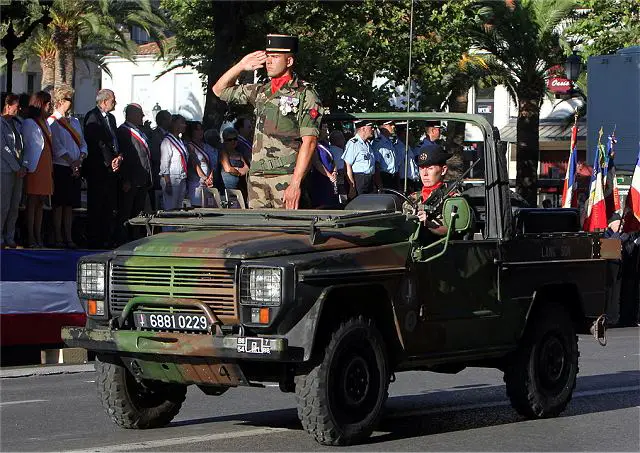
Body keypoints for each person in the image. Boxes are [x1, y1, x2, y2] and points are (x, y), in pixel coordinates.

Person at [212, 34, 323, 209]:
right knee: (259, 226)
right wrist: (241, 66)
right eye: (268, 56)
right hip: (257, 176)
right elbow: (219, 90)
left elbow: (309, 142)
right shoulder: (262, 91)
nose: (269, 62)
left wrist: (295, 184)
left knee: (289, 226)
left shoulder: (304, 94)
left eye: (275, 57)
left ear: (289, 61)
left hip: (285, 176)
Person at [48, 85, 87, 248]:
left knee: (70, 205)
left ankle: (69, 237)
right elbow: (56, 146)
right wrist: (71, 162)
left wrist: (80, 159)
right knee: (59, 204)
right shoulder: (52, 122)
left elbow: (83, 143)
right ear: (60, 101)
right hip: (61, 167)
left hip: (75, 167)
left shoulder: (75, 121)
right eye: (69, 99)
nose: (71, 102)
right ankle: (58, 237)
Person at [83, 89, 121, 248]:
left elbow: (114, 140)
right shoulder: (93, 116)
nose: (115, 103)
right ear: (104, 101)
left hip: (111, 169)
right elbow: (97, 143)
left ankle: (106, 237)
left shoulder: (111, 118)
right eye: (113, 100)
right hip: (98, 168)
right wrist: (109, 161)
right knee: (96, 205)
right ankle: (94, 239)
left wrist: (118, 157)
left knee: (108, 205)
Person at [116, 103, 153, 241]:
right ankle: (122, 239)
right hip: (130, 180)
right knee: (126, 212)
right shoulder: (123, 131)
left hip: (142, 178)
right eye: (139, 113)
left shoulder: (140, 131)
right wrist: (125, 179)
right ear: (131, 115)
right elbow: (124, 156)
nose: (142, 116)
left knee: (138, 212)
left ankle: (135, 238)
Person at [22, 91, 54, 248]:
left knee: (41, 202)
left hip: (46, 165)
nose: (50, 106)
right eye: (47, 103)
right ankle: (31, 237)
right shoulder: (29, 123)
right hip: (35, 166)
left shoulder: (45, 122)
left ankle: (38, 235)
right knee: (32, 201)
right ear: (40, 104)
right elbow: (27, 146)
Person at [404, 143, 457, 237]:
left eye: (430, 168)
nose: (424, 174)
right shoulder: (412, 199)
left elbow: (452, 231)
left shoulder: (453, 199)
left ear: (443, 170)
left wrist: (429, 224)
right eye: (421, 169)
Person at [1, 93, 26, 248]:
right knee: (3, 205)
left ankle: (9, 236)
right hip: (5, 170)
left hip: (18, 170)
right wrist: (16, 167)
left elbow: (23, 145)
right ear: (8, 106)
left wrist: (23, 165)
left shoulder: (18, 123)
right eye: (17, 106)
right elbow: (3, 148)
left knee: (14, 205)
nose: (19, 109)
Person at [342, 120, 379, 198]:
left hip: (370, 179)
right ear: (363, 129)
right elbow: (347, 165)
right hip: (359, 179)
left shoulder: (367, 144)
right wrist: (352, 186)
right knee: (359, 203)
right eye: (371, 127)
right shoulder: (353, 143)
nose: (373, 129)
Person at [159, 114, 188, 210]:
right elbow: (164, 163)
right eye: (182, 123)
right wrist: (167, 183)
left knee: (179, 208)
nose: (185, 125)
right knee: (170, 208)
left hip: (182, 177)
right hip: (172, 179)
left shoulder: (180, 141)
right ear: (175, 125)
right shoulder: (167, 141)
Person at [185, 120, 217, 207]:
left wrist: (210, 176)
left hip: (207, 182)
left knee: (207, 207)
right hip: (196, 182)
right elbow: (195, 164)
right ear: (191, 132)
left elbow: (211, 163)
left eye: (201, 129)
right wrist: (205, 178)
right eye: (197, 130)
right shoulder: (189, 146)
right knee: (197, 206)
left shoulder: (206, 146)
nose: (200, 132)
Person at [309, 125, 339, 208]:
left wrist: (334, 171)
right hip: (320, 178)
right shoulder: (315, 145)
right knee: (322, 203)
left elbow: (332, 159)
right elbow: (317, 162)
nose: (326, 129)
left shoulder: (325, 144)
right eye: (324, 127)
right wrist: (329, 176)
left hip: (330, 178)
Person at [149, 109, 171, 210]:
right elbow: (156, 156)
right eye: (169, 119)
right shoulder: (154, 134)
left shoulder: (171, 135)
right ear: (163, 121)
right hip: (159, 175)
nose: (171, 122)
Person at [219, 127, 249, 193]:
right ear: (224, 140)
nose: (233, 141)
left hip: (239, 188)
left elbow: (247, 168)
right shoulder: (223, 152)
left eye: (235, 139)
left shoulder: (239, 154)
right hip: (227, 189)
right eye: (229, 140)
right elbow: (228, 169)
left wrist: (235, 170)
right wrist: (240, 172)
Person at [395, 122, 421, 194]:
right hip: (405, 182)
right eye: (410, 132)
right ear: (404, 134)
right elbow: (397, 168)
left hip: (413, 181)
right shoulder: (398, 148)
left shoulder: (407, 147)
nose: (411, 135)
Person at [373, 120, 398, 189]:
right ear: (383, 127)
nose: (393, 126)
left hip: (394, 177)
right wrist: (379, 185)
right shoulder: (378, 144)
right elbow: (376, 166)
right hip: (384, 178)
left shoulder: (390, 142)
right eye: (390, 124)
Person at [234, 115, 253, 202]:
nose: (251, 129)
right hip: (243, 176)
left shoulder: (247, 141)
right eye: (248, 127)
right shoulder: (238, 143)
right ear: (241, 129)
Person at [328, 129, 347, 201]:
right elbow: (339, 166)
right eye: (342, 138)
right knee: (342, 197)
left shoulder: (330, 149)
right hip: (339, 179)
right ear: (337, 140)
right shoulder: (338, 151)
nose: (344, 140)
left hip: (335, 178)